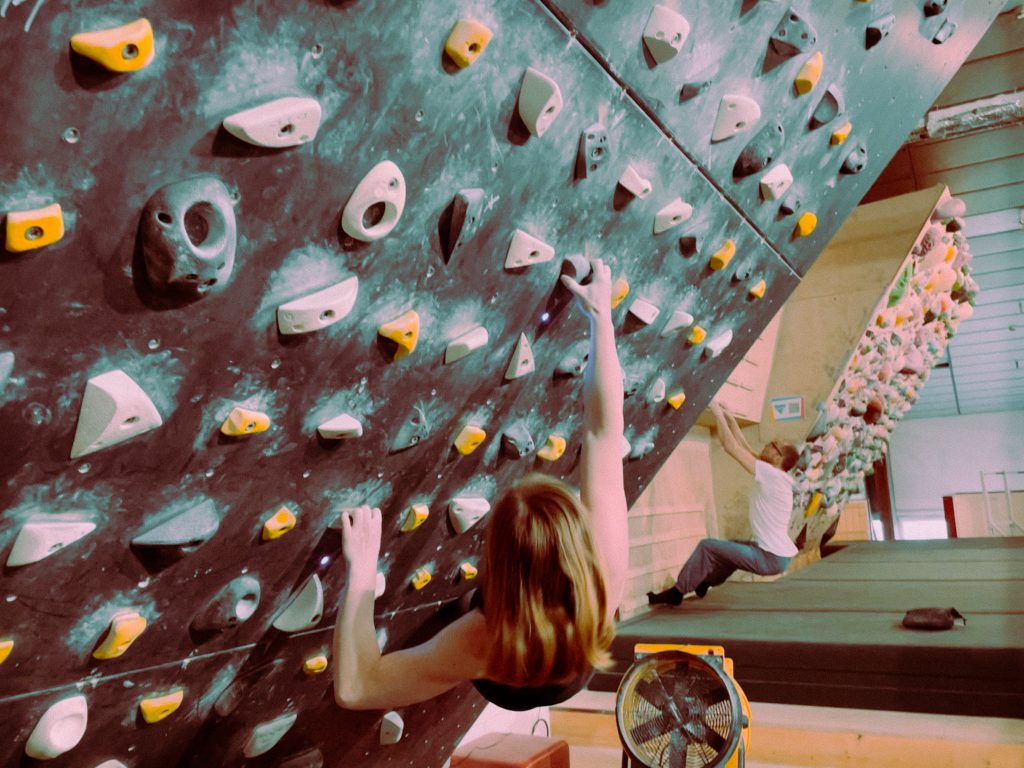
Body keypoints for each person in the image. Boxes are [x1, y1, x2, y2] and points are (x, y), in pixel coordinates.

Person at [333, 258, 627, 711]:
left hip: (504, 681)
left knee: (467, 607)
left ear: (501, 565)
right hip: (574, 668)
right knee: (473, 604)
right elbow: (604, 432)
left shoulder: (479, 642)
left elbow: (357, 688)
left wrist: (360, 575)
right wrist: (601, 320)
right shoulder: (604, 578)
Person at [647, 401, 799, 607]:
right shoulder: (776, 474)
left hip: (770, 558)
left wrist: (716, 411)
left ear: (778, 457)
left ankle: (676, 592)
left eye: (773, 446)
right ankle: (706, 582)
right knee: (730, 550)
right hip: (777, 556)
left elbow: (730, 447)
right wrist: (729, 417)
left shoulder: (772, 475)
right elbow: (744, 448)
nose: (766, 445)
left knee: (707, 546)